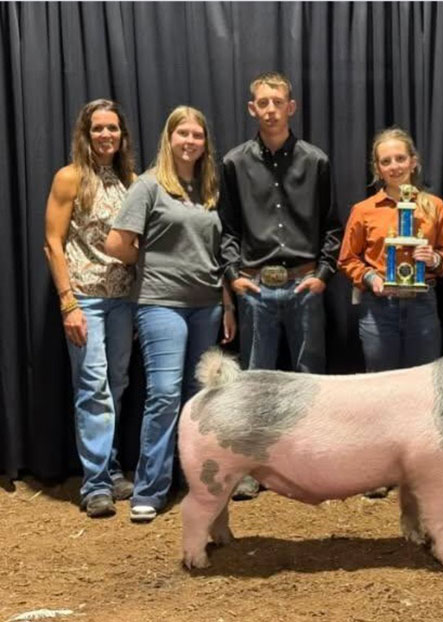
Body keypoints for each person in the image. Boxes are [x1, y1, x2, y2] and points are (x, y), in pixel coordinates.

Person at [106, 106, 235, 522]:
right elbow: (117, 244)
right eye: (183, 133)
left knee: (199, 399)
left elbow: (220, 254)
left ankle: (195, 481)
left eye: (198, 135)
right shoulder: (147, 186)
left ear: (205, 143)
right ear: (169, 138)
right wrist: (148, 265)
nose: (191, 141)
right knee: (162, 393)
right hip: (161, 303)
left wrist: (228, 304)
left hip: (207, 305)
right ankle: (150, 488)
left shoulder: (209, 189)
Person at [217, 72, 342, 500]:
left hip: (304, 285)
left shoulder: (316, 161)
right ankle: (251, 468)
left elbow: (331, 227)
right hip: (255, 287)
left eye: (278, 101)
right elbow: (228, 228)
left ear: (292, 106)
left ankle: (311, 466)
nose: (270, 109)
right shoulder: (234, 163)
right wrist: (234, 274)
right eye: (262, 103)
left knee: (310, 382)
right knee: (254, 383)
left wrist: (323, 275)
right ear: (251, 108)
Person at [44, 99, 137, 518]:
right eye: (98, 128)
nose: (106, 136)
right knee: (93, 387)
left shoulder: (130, 181)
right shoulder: (70, 178)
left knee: (116, 384)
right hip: (85, 297)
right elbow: (53, 243)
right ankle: (95, 483)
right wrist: (68, 304)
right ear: (86, 133)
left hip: (123, 299)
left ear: (122, 135)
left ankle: (111, 466)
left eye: (112, 129)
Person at [338, 127, 443, 372]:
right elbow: (347, 259)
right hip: (378, 307)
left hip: (422, 304)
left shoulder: (434, 207)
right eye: (386, 161)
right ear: (378, 169)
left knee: (423, 381)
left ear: (413, 162)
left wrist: (434, 259)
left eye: (400, 158)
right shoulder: (364, 210)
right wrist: (370, 277)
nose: (394, 166)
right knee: (381, 382)